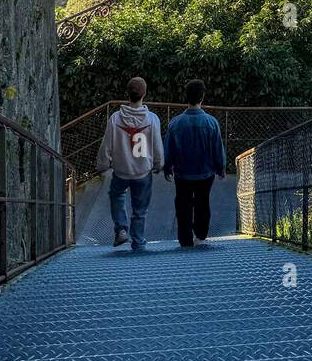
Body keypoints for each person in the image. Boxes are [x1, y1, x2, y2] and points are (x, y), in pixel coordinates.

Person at [96, 76, 163, 249]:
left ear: (128, 94)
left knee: (117, 195)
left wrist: (103, 165)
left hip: (121, 172)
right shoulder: (152, 119)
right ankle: (138, 242)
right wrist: (158, 164)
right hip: (143, 172)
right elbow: (157, 146)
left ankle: (121, 229)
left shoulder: (115, 119)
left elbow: (106, 146)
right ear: (144, 94)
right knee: (140, 210)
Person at [163, 80, 226, 247]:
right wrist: (220, 167)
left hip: (183, 173)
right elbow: (217, 148)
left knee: (183, 204)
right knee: (202, 202)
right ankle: (201, 234)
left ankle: (185, 239)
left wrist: (167, 167)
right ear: (202, 97)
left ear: (186, 97)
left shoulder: (175, 123)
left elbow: (169, 149)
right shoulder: (212, 123)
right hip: (206, 173)